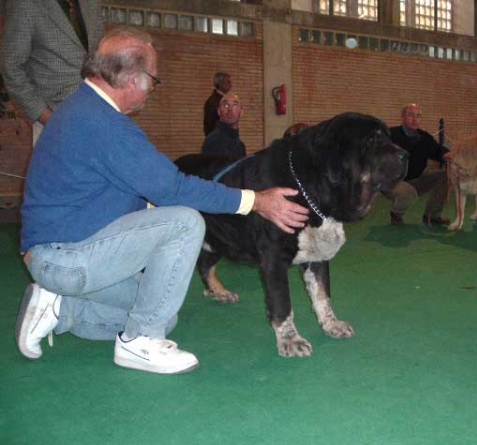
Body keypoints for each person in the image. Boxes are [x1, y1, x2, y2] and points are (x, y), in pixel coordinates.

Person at [15, 27, 309, 375]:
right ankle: (140, 343)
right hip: (64, 260)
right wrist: (256, 201)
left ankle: (60, 308)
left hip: (62, 258)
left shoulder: (81, 108)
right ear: (133, 80)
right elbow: (173, 189)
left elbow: (107, 192)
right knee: (185, 221)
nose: (153, 87)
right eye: (154, 78)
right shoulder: (104, 124)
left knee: (161, 312)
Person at [1, 0, 105, 144]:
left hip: (96, 117)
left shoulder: (92, 3)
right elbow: (11, 67)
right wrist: (46, 117)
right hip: (52, 120)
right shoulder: (24, 3)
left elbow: (100, 55)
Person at [384, 103, 450, 226]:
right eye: (410, 115)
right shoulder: (389, 135)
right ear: (403, 117)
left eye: (418, 116)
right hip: (392, 182)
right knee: (409, 193)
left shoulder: (425, 138)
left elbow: (440, 152)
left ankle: (432, 216)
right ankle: (396, 214)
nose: (415, 119)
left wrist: (455, 157)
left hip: (417, 180)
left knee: (444, 175)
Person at [201, 92, 246, 159]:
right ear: (219, 111)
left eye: (234, 105)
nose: (230, 109)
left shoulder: (240, 146)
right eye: (226, 105)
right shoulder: (212, 142)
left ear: (241, 112)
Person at [203, 72, 231, 136]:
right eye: (228, 82)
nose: (231, 85)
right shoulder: (213, 102)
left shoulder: (225, 99)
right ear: (221, 84)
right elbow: (209, 126)